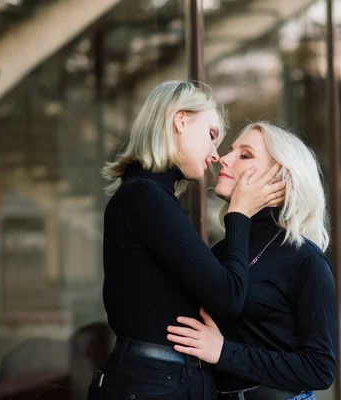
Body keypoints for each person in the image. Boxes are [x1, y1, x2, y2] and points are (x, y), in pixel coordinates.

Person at [89, 82, 285, 400]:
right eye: (210, 135)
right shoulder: (146, 197)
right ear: (180, 121)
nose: (215, 154)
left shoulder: (151, 196)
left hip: (160, 380)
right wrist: (239, 213)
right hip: (155, 383)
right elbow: (228, 296)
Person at [165, 122, 338, 400]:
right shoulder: (220, 253)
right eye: (231, 150)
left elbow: (319, 368)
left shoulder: (305, 260)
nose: (224, 158)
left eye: (245, 155)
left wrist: (224, 352)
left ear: (279, 178)